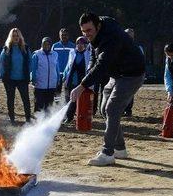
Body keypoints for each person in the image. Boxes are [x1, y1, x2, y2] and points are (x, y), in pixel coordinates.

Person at [69, 13, 145, 166]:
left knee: (112, 109)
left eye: (89, 30)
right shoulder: (98, 30)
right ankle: (120, 148)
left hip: (131, 74)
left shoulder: (111, 38)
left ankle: (107, 152)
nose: (86, 34)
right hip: (116, 74)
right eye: (83, 31)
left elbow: (102, 64)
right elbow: (93, 57)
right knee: (104, 110)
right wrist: (88, 77)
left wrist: (82, 85)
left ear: (97, 26)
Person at [0, 28, 32, 125]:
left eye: (17, 35)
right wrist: (3, 75)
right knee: (10, 99)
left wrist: (28, 73)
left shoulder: (25, 48)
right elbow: (1, 62)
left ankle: (28, 119)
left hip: (22, 79)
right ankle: (12, 120)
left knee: (26, 100)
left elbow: (30, 61)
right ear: (11, 37)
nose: (16, 37)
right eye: (13, 36)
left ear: (20, 36)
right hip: (10, 79)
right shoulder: (6, 48)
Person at [62, 36, 92, 123]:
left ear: (86, 45)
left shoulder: (88, 54)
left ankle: (81, 117)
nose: (80, 45)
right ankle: (69, 117)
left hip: (82, 81)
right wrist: (64, 75)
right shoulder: (72, 52)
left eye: (82, 43)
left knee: (82, 100)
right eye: (78, 43)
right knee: (70, 100)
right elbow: (68, 65)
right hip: (71, 80)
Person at [31, 37, 59, 113]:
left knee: (49, 105)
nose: (46, 46)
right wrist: (33, 79)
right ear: (41, 45)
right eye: (44, 44)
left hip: (51, 85)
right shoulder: (36, 54)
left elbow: (57, 68)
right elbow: (33, 69)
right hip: (40, 85)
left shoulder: (55, 54)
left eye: (48, 44)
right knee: (39, 105)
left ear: (51, 45)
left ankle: (47, 121)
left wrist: (58, 79)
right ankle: (38, 122)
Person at [123, 28, 144, 117]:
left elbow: (141, 61)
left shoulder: (138, 47)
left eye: (131, 35)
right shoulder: (120, 45)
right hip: (122, 73)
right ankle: (122, 109)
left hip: (132, 74)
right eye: (128, 35)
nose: (129, 37)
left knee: (129, 94)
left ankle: (128, 110)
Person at [52, 28, 75, 96]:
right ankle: (56, 106)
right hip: (57, 74)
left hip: (68, 74)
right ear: (59, 35)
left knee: (68, 93)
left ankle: (68, 106)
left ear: (68, 35)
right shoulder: (55, 46)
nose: (64, 36)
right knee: (57, 93)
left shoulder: (73, 46)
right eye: (62, 35)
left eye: (66, 35)